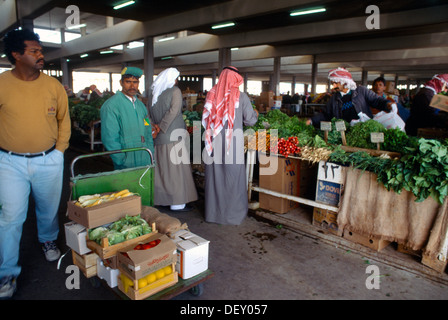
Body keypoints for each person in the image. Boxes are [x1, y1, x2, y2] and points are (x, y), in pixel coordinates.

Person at [0, 29, 71, 299]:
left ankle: (48, 240)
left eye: (40, 51)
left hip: (48, 160)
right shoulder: (2, 84)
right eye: (34, 51)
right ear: (16, 55)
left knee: (48, 207)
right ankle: (7, 272)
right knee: (9, 218)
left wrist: (59, 152)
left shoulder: (52, 86)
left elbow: (64, 120)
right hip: (9, 163)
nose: (41, 55)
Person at [202, 66, 258, 225]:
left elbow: (205, 119)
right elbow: (251, 120)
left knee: (215, 179)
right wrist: (256, 114)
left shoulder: (211, 94)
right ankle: (233, 216)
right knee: (233, 178)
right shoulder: (240, 97)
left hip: (213, 143)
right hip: (232, 143)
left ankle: (213, 215)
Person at [149, 68, 198, 212]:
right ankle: (177, 203)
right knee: (175, 171)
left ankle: (161, 200)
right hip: (172, 136)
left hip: (157, 138)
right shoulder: (175, 91)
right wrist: (162, 127)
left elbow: (149, 114)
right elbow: (174, 111)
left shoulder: (154, 93)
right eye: (176, 78)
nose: (177, 80)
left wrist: (154, 128)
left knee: (162, 171)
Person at [100, 67, 156, 169]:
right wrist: (121, 160)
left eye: (135, 82)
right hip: (126, 159)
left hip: (145, 156)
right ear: (121, 83)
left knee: (145, 184)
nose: (132, 86)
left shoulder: (141, 107)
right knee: (127, 185)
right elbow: (109, 138)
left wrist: (150, 151)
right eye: (128, 82)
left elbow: (147, 128)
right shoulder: (111, 106)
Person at [307, 67, 394, 127]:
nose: (333, 86)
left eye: (336, 83)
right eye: (333, 83)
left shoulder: (361, 91)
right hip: (344, 132)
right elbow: (326, 114)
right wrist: (312, 120)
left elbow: (376, 100)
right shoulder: (334, 99)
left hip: (362, 129)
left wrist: (387, 104)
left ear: (345, 83)